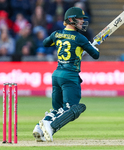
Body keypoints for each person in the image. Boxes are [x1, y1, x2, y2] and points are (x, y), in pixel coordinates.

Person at [32, 7, 99, 142]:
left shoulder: (57, 34)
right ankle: (50, 126)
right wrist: (93, 47)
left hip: (57, 74)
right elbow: (95, 55)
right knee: (73, 109)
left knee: (58, 109)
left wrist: (59, 41)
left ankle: (39, 128)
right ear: (71, 20)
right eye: (79, 19)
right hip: (70, 76)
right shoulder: (81, 38)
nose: (82, 22)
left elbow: (45, 43)